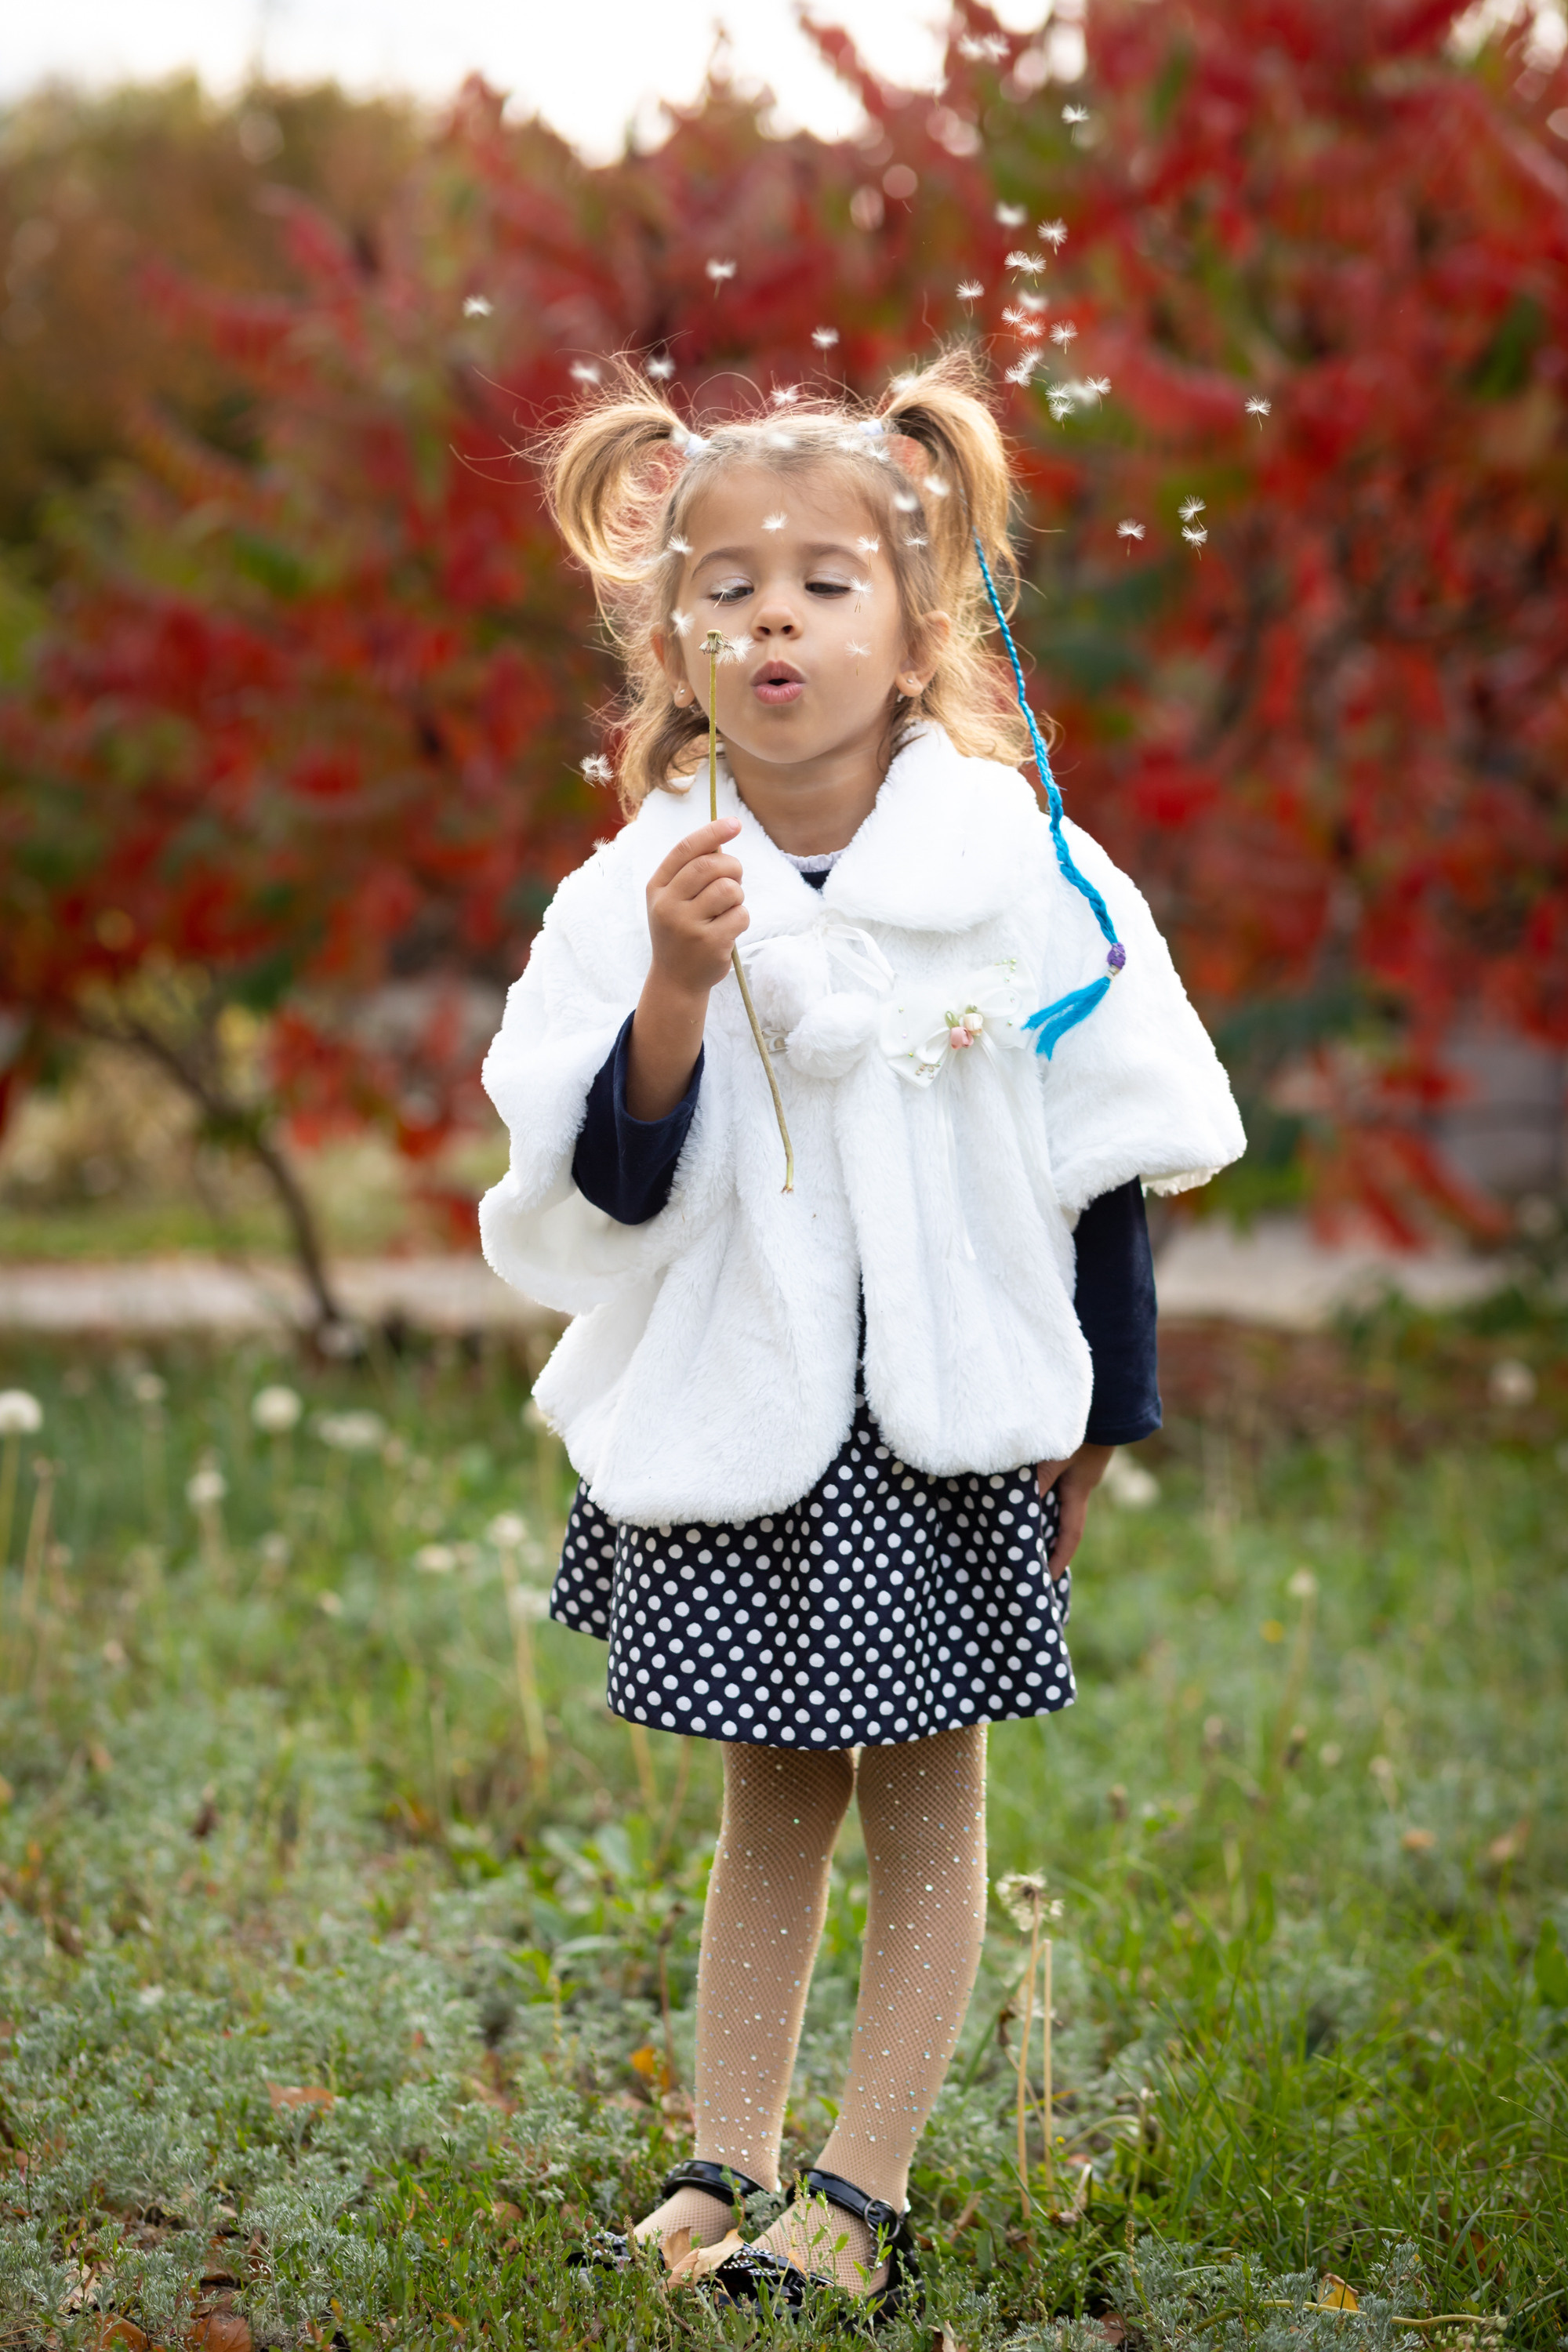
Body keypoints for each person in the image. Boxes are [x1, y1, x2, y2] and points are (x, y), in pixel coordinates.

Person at [479, 350, 1243, 2314]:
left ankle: (862, 2192)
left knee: (922, 1809)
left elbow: (1103, 1166)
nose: (771, 618)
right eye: (723, 586)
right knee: (768, 1807)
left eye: (826, 580)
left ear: (919, 633)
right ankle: (723, 2162)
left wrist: (1093, 1424)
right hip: (752, 1424)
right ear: (673, 640)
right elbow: (612, 1193)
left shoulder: (1024, 885)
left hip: (941, 1432)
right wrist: (671, 987)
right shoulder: (633, 894)